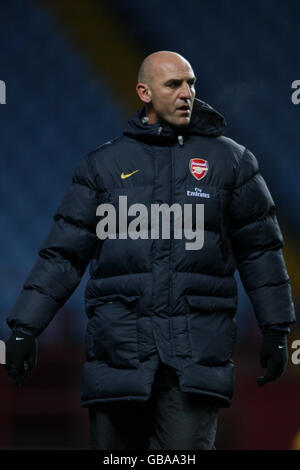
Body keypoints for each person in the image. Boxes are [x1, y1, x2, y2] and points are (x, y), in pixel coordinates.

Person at [5, 51, 296, 450]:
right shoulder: (102, 167)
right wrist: (25, 327)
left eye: (191, 83)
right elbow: (64, 253)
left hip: (193, 356)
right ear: (144, 91)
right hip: (119, 352)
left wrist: (277, 328)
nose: (187, 93)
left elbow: (260, 250)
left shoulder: (232, 163)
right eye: (173, 84)